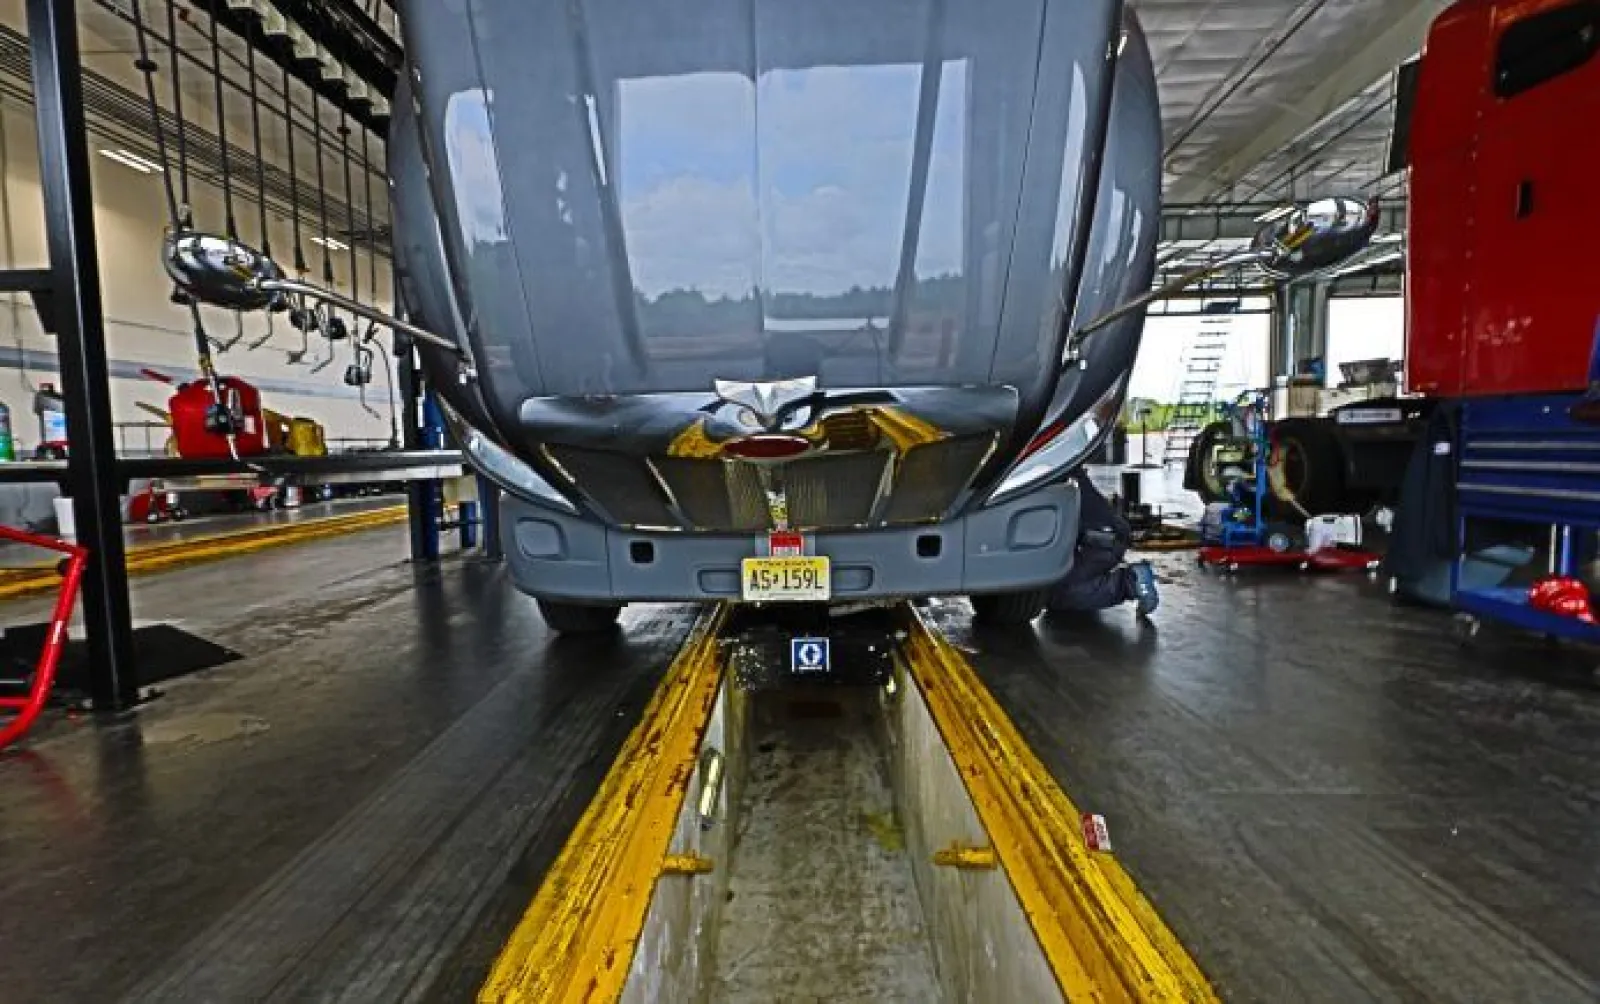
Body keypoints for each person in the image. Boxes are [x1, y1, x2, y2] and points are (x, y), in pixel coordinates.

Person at [1046, 470, 1159, 617]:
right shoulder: (1053, 462)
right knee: (1053, 596)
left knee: (1060, 596)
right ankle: (1099, 580)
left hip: (1098, 538)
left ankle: (1130, 581)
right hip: (1103, 533)